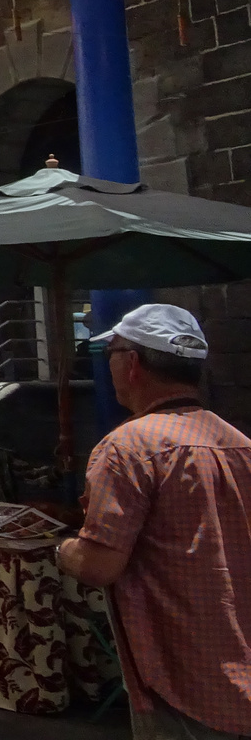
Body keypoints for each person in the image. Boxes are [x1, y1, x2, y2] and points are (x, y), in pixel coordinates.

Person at [57, 305, 251, 740]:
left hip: (179, 674)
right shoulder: (239, 444)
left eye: (111, 351)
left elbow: (98, 565)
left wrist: (63, 548)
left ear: (132, 364)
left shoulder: (126, 448)